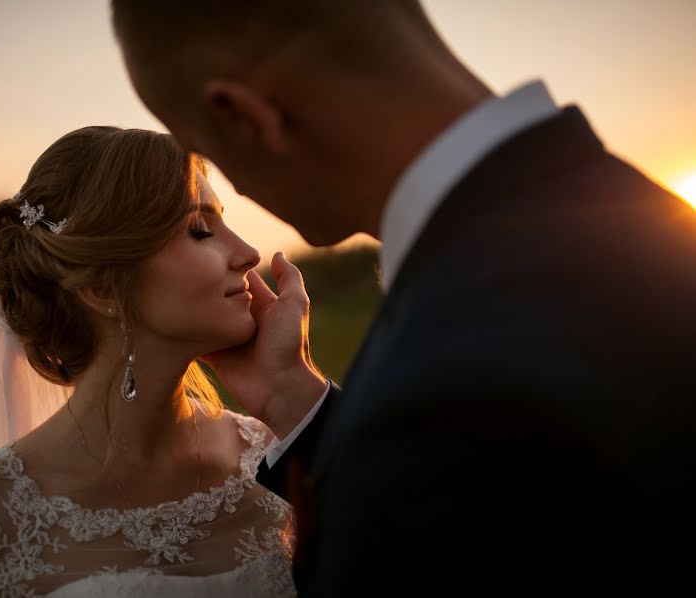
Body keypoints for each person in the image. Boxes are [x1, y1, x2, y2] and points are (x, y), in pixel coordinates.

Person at [111, 0, 696, 593]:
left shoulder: (450, 374)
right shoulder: (649, 232)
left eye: (207, 148)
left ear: (246, 118)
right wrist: (292, 394)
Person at [0, 126, 303, 597]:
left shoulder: (282, 456)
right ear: (102, 289)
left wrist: (293, 387)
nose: (249, 254)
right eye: (201, 230)